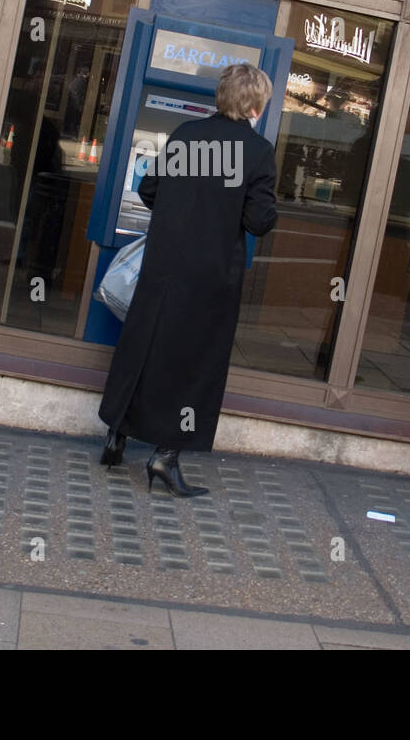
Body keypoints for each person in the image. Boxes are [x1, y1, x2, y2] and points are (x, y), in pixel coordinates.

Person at [98, 63, 278, 496]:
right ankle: (166, 456)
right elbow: (258, 221)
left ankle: (116, 434)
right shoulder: (257, 152)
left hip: (163, 268)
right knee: (194, 364)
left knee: (143, 346)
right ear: (255, 105)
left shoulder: (186, 135)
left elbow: (149, 191)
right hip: (210, 276)